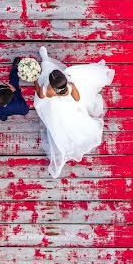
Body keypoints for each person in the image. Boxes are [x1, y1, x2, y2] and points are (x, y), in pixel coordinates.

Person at [33, 46, 115, 178]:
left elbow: (40, 95)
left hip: (57, 106)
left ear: (52, 85)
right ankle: (45, 60)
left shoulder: (48, 91)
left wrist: (35, 80)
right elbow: (77, 99)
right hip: (68, 98)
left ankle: (45, 60)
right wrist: (72, 86)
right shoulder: (69, 85)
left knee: (61, 122)